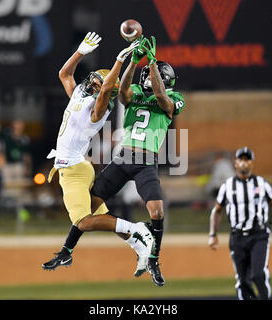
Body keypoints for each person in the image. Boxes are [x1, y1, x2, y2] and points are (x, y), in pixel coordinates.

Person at [63, 36, 186, 287]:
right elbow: (124, 92)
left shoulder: (174, 97)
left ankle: (154, 258)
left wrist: (151, 65)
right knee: (90, 206)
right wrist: (133, 61)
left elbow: (164, 102)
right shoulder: (137, 91)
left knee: (157, 211)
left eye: (156, 78)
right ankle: (67, 249)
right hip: (124, 156)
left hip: (146, 162)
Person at [42, 32, 155, 277]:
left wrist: (118, 61)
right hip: (74, 165)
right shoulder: (78, 95)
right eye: (93, 80)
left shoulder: (99, 111)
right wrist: (80, 52)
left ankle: (138, 229)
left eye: (97, 84)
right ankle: (138, 246)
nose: (91, 83)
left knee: (83, 221)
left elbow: (105, 92)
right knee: (100, 214)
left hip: (73, 168)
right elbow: (65, 74)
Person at [208, 147, 272, 300]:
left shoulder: (261, 183)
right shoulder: (228, 186)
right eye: (241, 159)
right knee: (242, 280)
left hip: (258, 234)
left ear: (252, 163)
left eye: (247, 159)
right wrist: (213, 234)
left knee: (258, 274)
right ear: (235, 162)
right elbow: (217, 210)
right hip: (237, 237)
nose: (244, 163)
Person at [0, 103, 32, 181]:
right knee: (7, 186)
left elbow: (27, 155)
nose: (17, 126)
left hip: (18, 165)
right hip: (7, 165)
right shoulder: (7, 134)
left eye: (19, 124)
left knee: (19, 186)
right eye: (16, 124)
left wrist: (28, 168)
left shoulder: (24, 139)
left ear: (22, 126)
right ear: (13, 125)